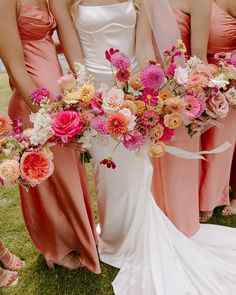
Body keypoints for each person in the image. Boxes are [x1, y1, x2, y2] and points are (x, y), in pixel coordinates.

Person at [51, 0, 236, 293]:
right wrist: (85, 101)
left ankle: (137, 239)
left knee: (136, 171)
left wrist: (147, 96)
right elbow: (74, 56)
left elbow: (144, 48)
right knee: (106, 173)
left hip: (134, 89)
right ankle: (114, 239)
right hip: (94, 92)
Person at [0, 0, 100, 273]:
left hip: (56, 94)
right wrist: (47, 115)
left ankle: (79, 240)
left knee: (69, 174)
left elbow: (55, 42)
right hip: (32, 103)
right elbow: (16, 67)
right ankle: (57, 248)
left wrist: (79, 92)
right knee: (48, 178)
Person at [152, 0, 212, 236]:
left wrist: (196, 103)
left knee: (178, 173)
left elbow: (199, 60)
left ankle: (182, 229)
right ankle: (153, 227)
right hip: (144, 98)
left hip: (181, 99)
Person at [199, 0, 236, 222]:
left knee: (220, 141)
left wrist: (230, 74)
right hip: (202, 74)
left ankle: (211, 199)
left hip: (229, 77)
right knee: (201, 140)